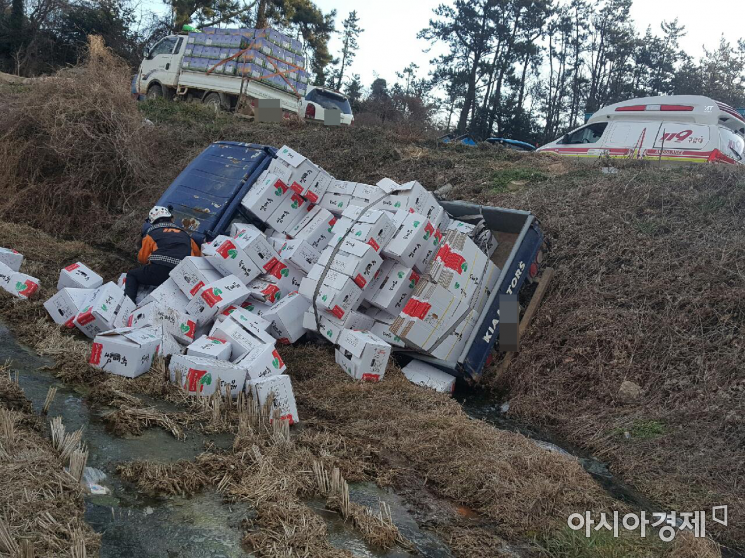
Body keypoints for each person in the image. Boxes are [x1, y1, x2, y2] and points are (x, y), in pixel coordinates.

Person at [124, 206, 201, 302]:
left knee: (132, 275)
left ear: (152, 222)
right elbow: (197, 256)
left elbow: (142, 258)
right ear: (171, 219)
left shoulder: (152, 233)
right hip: (183, 275)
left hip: (160, 270)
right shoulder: (186, 235)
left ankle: (127, 305)